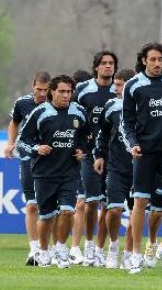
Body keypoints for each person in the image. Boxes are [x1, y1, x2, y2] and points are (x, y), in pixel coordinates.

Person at [121, 42, 162, 274]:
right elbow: (126, 123)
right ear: (144, 61)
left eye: (161, 59)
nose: (157, 63)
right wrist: (133, 144)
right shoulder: (133, 86)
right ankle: (136, 255)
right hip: (145, 151)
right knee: (140, 202)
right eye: (153, 59)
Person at [18, 75, 88, 268]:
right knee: (46, 216)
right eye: (62, 92)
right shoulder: (41, 112)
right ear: (52, 92)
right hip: (44, 172)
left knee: (67, 212)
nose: (66, 95)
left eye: (69, 92)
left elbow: (85, 136)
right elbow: (23, 140)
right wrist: (37, 148)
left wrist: (82, 150)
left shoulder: (79, 112)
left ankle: (60, 248)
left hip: (69, 172)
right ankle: (43, 251)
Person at [75, 51, 118, 267]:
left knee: (110, 206)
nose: (108, 67)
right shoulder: (83, 90)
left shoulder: (119, 91)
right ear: (96, 67)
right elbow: (73, 116)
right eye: (104, 63)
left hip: (114, 156)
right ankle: (89, 246)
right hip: (89, 155)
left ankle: (101, 250)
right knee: (91, 202)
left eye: (111, 64)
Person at [4, 71, 50, 266]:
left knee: (51, 209)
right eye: (39, 89)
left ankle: (51, 249)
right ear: (33, 86)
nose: (41, 94)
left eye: (45, 90)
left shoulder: (55, 104)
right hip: (27, 158)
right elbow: (14, 122)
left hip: (51, 161)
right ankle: (34, 250)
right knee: (32, 205)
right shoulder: (22, 103)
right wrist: (10, 143)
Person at [93, 68, 136, 269]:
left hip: (139, 169)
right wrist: (99, 155)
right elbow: (103, 133)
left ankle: (128, 254)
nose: (114, 87)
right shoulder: (111, 106)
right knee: (114, 211)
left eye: (118, 84)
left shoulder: (142, 105)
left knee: (137, 212)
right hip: (116, 168)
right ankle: (113, 246)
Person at [69, 69, 93, 264]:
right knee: (80, 203)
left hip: (106, 156)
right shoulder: (72, 109)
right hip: (81, 157)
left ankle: (91, 247)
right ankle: (74, 247)